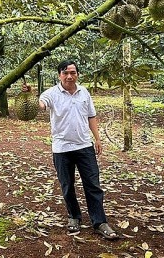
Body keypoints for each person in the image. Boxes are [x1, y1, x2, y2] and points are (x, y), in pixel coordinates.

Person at [29, 59, 119, 239]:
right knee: (67, 185)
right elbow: (40, 105)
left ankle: (99, 222)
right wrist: (29, 97)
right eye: (65, 73)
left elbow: (91, 116)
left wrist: (97, 138)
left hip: (84, 145)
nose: (69, 76)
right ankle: (74, 217)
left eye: (73, 72)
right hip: (62, 148)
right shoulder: (52, 93)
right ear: (59, 75)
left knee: (93, 185)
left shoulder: (84, 92)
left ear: (77, 74)